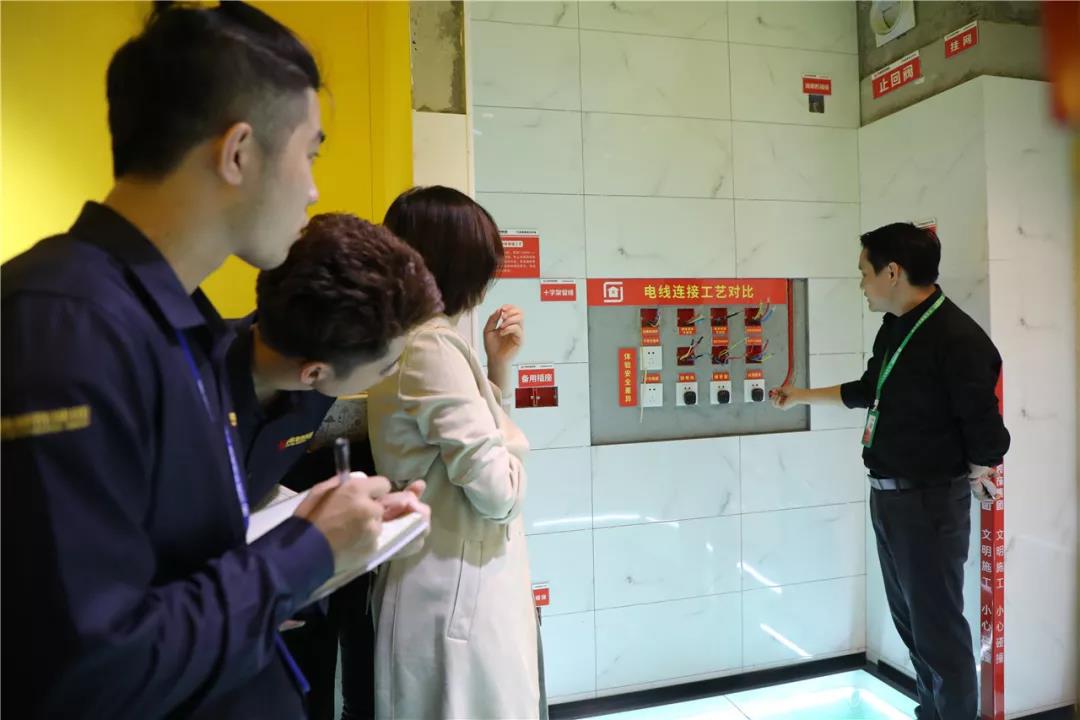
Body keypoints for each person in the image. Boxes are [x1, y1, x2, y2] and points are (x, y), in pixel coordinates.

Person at [1, 5, 414, 718]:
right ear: (239, 153)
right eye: (310, 153)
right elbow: (89, 669)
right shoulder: (65, 325)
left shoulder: (176, 327)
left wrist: (317, 539)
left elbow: (177, 572)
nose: (313, 190)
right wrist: (306, 552)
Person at [771, 222, 1010, 720]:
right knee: (913, 626)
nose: (862, 284)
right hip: (889, 497)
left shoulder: (957, 339)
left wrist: (968, 474)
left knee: (938, 630)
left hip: (928, 502)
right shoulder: (895, 327)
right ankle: (932, 713)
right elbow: (869, 390)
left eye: (865, 272)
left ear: (893, 272)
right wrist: (800, 396)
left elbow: (988, 435)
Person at [228, 212, 443, 720]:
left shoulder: (309, 370)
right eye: (387, 365)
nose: (393, 372)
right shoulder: (183, 394)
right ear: (315, 373)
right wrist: (259, 594)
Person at [364, 186, 540, 719]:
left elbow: (465, 442)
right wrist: (517, 448)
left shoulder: (410, 339)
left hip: (445, 583)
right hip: (455, 593)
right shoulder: (431, 345)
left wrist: (497, 366)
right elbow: (498, 492)